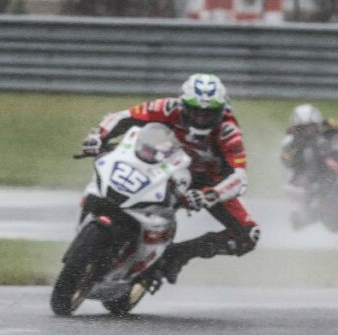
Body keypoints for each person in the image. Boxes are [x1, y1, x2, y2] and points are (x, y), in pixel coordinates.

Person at [81, 73, 260, 284]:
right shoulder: (168, 107)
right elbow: (123, 117)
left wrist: (209, 195)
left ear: (222, 109)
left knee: (249, 235)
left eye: (209, 113)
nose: (201, 118)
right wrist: (98, 136)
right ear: (184, 105)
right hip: (166, 163)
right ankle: (101, 209)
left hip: (208, 183)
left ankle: (177, 255)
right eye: (195, 111)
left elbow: (239, 177)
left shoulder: (228, 132)